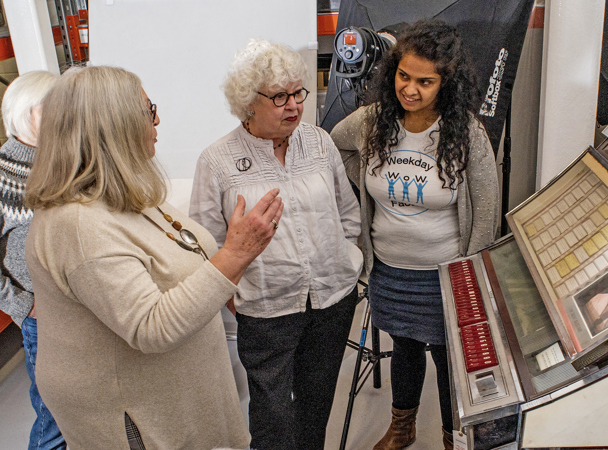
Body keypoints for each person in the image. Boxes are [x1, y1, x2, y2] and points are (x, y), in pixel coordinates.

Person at [24, 65, 284, 449]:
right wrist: (236, 253)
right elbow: (151, 326)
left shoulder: (117, 195)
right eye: (149, 111)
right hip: (135, 418)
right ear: (117, 127)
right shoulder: (79, 225)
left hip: (171, 398)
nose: (157, 119)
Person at [331, 19, 500, 450]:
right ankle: (402, 427)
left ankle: (452, 436)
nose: (410, 89)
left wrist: (468, 277)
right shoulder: (373, 122)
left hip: (445, 275)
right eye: (404, 76)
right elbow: (336, 145)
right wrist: (366, 179)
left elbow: (486, 213)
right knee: (404, 346)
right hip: (390, 269)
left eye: (425, 82)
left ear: (446, 83)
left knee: (448, 359)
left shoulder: (466, 133)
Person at [189, 40, 361, 450]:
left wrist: (347, 260)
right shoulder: (217, 161)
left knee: (316, 406)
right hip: (266, 311)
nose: (294, 106)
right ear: (249, 103)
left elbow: (347, 212)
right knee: (272, 416)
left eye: (298, 93)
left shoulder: (319, 142)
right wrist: (231, 292)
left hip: (331, 301)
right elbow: (202, 241)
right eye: (280, 97)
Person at [0, 70, 63, 450]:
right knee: (53, 423)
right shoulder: (3, 174)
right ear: (27, 113)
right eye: (53, 108)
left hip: (86, 312)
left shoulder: (67, 164)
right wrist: (22, 306)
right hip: (42, 320)